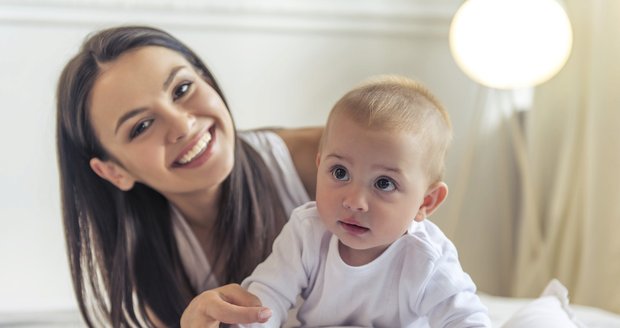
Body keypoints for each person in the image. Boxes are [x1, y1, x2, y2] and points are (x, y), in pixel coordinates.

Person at [56, 25, 322, 327]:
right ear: (114, 172)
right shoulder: (148, 256)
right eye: (142, 126)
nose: (182, 125)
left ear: (206, 80)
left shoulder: (324, 161)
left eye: (182, 89)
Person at [237, 75, 491, 327]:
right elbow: (267, 297)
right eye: (340, 172)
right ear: (319, 168)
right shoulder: (307, 232)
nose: (355, 201)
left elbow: (466, 319)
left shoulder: (427, 259)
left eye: (384, 183)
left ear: (426, 202)